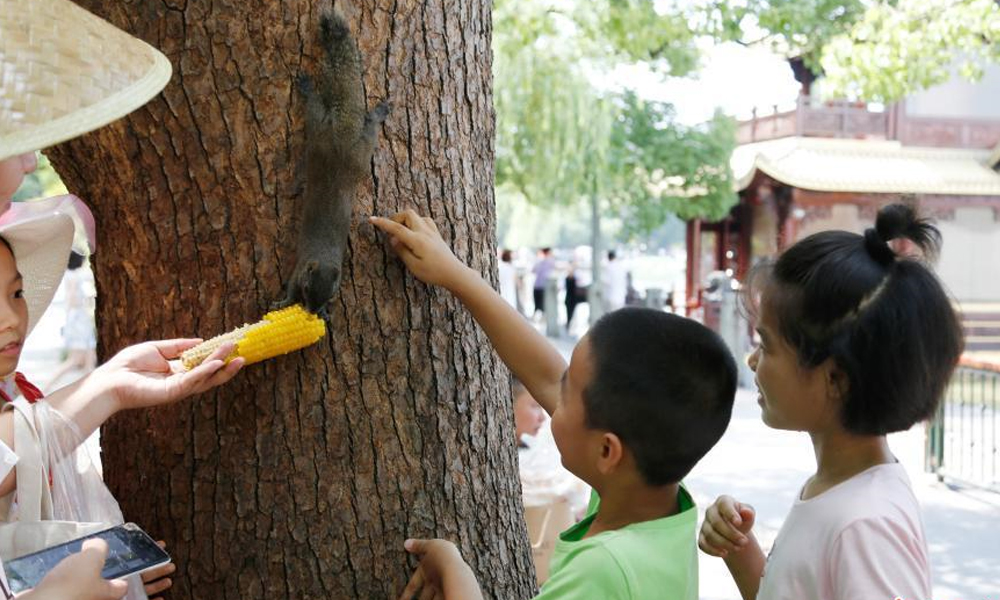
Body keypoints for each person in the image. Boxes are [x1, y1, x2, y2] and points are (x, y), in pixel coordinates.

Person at [371, 210, 738, 600]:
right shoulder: (657, 498)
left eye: (566, 396)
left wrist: (453, 569)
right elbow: (546, 374)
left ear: (606, 451)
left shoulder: (602, 570)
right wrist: (457, 276)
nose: (552, 398)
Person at [698, 204, 963, 600]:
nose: (752, 360)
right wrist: (740, 549)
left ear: (835, 378)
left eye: (767, 345)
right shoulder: (839, 491)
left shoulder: (865, 526)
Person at [44, 252, 98, 393]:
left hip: (77, 320)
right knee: (76, 359)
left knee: (90, 358)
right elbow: (73, 299)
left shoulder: (67, 275)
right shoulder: (74, 276)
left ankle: (91, 391)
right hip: (79, 321)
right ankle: (46, 387)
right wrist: (86, 300)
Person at [531, 248, 555, 318]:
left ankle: (536, 318)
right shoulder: (550, 261)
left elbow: (533, 270)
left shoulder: (539, 261)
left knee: (537, 304)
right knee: (544, 305)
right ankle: (544, 318)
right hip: (544, 286)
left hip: (537, 285)